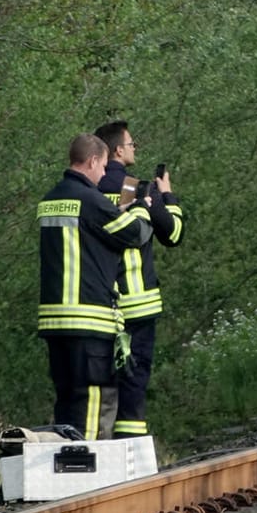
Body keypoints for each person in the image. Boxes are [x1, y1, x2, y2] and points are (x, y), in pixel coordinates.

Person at [38, 133, 152, 440]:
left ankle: (63, 476)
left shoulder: (50, 199)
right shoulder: (90, 201)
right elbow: (135, 234)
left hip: (54, 324)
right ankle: (87, 477)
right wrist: (141, 207)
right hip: (89, 323)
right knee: (94, 404)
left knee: (66, 406)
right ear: (92, 161)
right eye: (102, 167)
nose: (103, 174)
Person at [93, 120, 185, 438]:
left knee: (100, 385)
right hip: (137, 306)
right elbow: (173, 233)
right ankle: (130, 457)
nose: (134, 150)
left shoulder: (86, 192)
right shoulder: (137, 189)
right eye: (132, 145)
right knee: (133, 381)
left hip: (97, 306)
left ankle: (99, 450)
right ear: (118, 150)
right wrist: (168, 196)